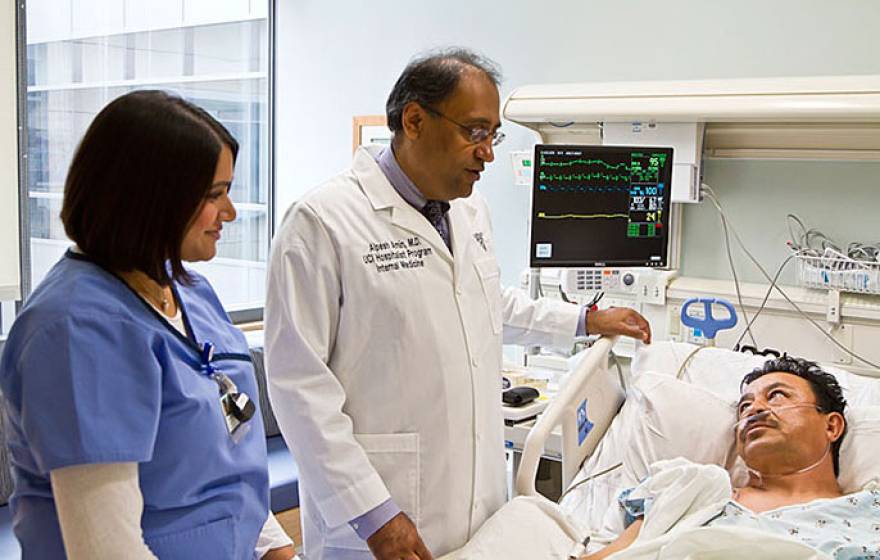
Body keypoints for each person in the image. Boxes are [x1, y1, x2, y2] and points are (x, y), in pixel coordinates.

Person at [265, 47, 651, 560]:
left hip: (480, 506)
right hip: (381, 515)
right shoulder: (322, 223)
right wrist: (374, 514)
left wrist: (585, 318)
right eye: (474, 131)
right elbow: (299, 389)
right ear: (415, 120)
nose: (488, 152)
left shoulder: (470, 213)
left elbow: (488, 303)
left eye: (494, 134)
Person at [0, 91, 295, 559]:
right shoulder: (76, 330)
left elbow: (233, 466)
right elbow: (107, 549)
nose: (231, 213)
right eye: (215, 195)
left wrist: (279, 552)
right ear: (152, 199)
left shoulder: (190, 293)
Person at [583, 356, 880, 559]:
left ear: (831, 425)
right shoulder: (690, 490)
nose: (754, 409)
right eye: (744, 406)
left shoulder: (869, 513)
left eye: (777, 395)